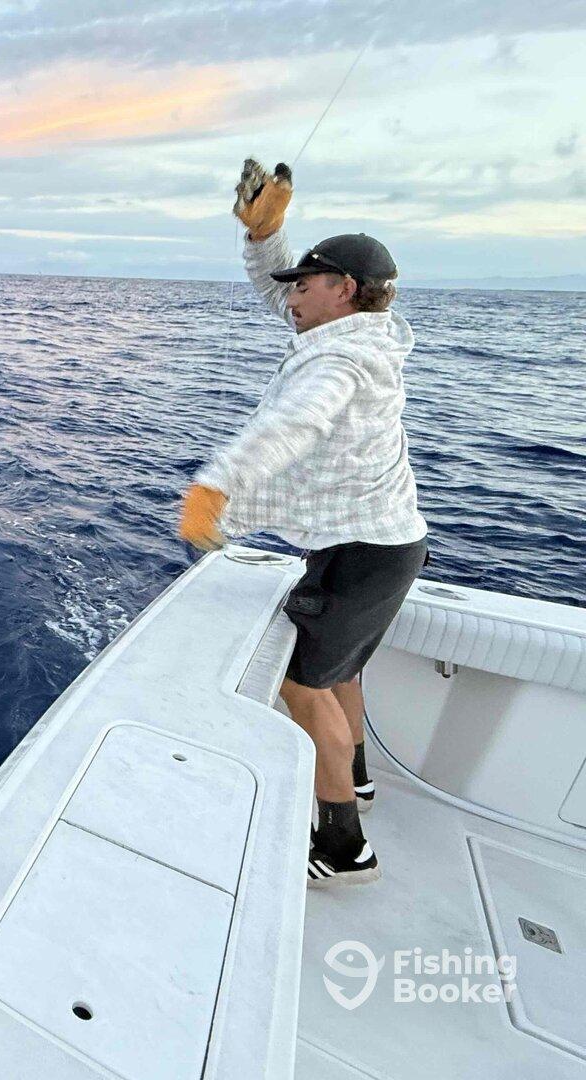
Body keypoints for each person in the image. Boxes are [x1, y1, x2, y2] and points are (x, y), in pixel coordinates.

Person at [178, 158, 430, 887]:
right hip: (381, 545)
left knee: (302, 683)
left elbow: (293, 426)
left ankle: (345, 846)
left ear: (343, 290)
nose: (289, 297)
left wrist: (216, 487)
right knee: (340, 669)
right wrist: (268, 236)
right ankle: (358, 778)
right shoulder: (354, 338)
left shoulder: (338, 367)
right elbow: (275, 285)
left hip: (361, 553)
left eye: (306, 284)